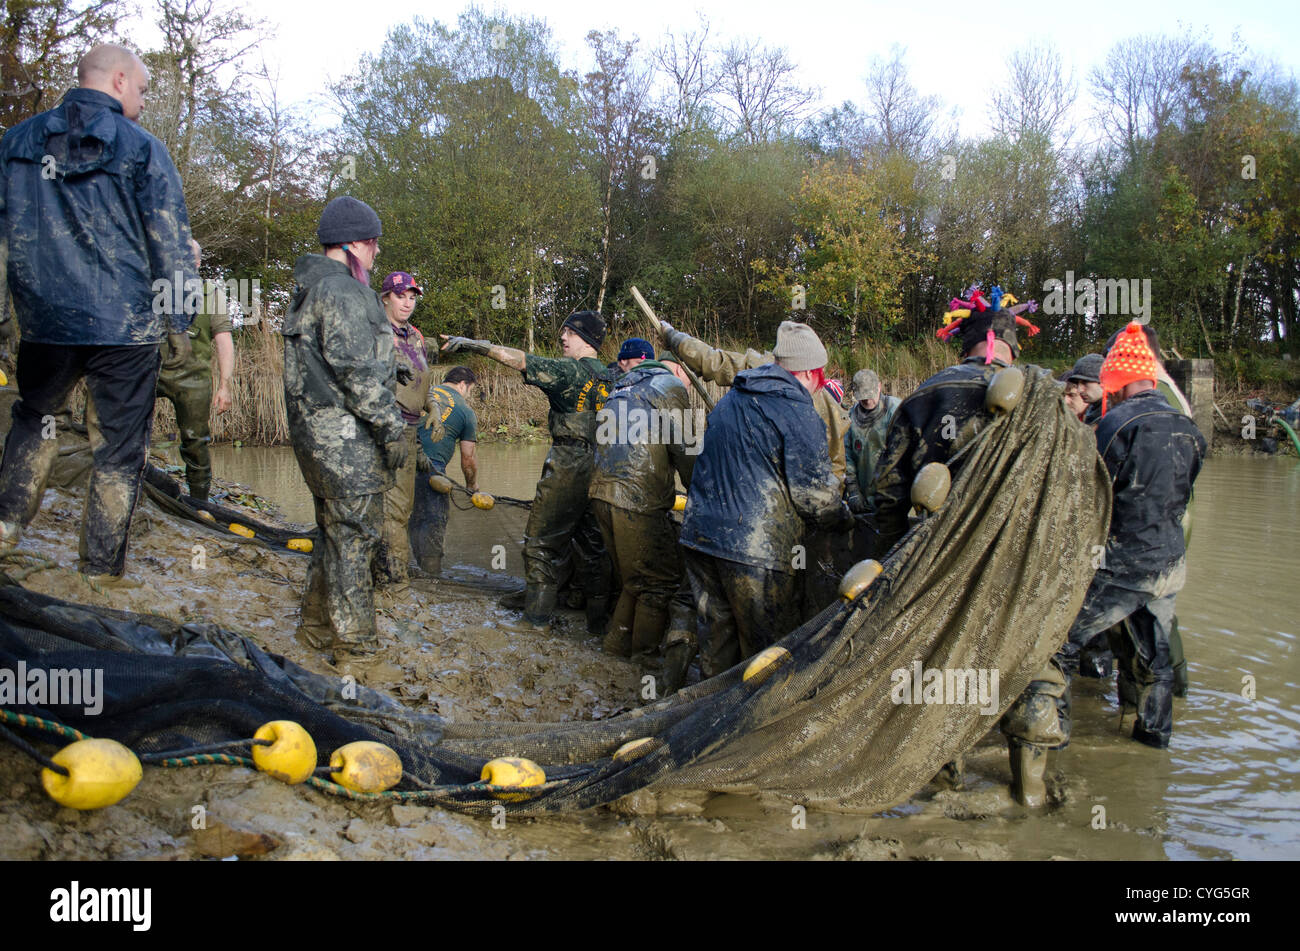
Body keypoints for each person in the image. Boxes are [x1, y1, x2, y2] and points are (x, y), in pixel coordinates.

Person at [0, 44, 198, 583]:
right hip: (125, 328)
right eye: (141, 88)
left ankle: (5, 529)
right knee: (118, 451)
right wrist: (180, 321)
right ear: (116, 80)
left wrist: (3, 318)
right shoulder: (144, 149)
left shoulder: (14, 144)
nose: (143, 97)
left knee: (34, 420)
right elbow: (170, 241)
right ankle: (99, 572)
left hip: (45, 323)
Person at [1003, 322, 1206, 803]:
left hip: (1121, 564)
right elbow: (1186, 490)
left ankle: (1057, 743)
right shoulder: (1189, 426)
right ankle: (1154, 747)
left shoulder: (1115, 425)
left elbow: (1088, 493)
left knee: (1060, 641)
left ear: (1120, 375)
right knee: (1153, 656)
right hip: (1170, 562)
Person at [679, 322, 849, 676]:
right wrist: (846, 517)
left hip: (699, 540)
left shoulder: (731, 400)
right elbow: (816, 500)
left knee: (716, 646)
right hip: (754, 554)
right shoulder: (800, 411)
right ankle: (756, 726)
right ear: (807, 373)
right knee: (767, 655)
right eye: (818, 376)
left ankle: (710, 721)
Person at [283, 196, 407, 678]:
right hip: (346, 446)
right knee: (355, 540)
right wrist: (391, 427)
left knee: (334, 535)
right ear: (354, 244)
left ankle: (314, 628)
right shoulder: (344, 292)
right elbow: (355, 371)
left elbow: (327, 361)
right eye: (373, 243)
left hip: (315, 442)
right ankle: (358, 653)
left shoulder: (307, 291)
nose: (377, 253)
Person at [442, 312, 613, 630]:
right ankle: (599, 625)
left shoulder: (569, 371)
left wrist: (478, 346)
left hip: (569, 462)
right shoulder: (612, 376)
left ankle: (535, 621)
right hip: (603, 467)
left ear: (586, 339)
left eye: (570, 333)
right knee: (593, 547)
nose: (563, 338)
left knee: (539, 543)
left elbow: (521, 360)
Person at [590, 344, 695, 656]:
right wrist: (699, 490)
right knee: (659, 584)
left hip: (599, 494)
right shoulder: (671, 386)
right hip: (637, 499)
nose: (690, 381)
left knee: (635, 581)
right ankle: (644, 660)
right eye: (689, 374)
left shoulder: (620, 385)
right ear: (677, 368)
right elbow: (687, 449)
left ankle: (614, 649)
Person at [155, 242, 235, 502]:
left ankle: (199, 501)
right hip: (151, 372)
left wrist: (225, 385)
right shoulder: (153, 287)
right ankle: (133, 485)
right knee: (130, 429)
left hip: (194, 379)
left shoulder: (211, 293)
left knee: (195, 441)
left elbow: (224, 340)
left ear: (198, 263)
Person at [376, 270, 435, 598]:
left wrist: (432, 408)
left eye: (412, 297)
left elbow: (420, 380)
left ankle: (387, 575)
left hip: (412, 428)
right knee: (393, 508)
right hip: (386, 426)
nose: (408, 303)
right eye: (401, 296)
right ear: (385, 297)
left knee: (402, 507)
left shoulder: (416, 336)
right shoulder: (376, 332)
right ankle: (394, 585)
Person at [413, 365, 480, 577]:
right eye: (470, 390)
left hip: (399, 457)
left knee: (404, 516)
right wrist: (471, 486)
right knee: (434, 520)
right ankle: (432, 576)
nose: (468, 395)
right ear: (463, 385)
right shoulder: (465, 411)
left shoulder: (423, 390)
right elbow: (468, 459)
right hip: (431, 467)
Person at [843, 369, 900, 515]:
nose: (868, 401)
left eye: (870, 395)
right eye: (863, 397)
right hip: (864, 497)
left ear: (879, 387)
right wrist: (853, 491)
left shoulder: (896, 411)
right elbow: (846, 457)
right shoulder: (851, 417)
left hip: (893, 495)